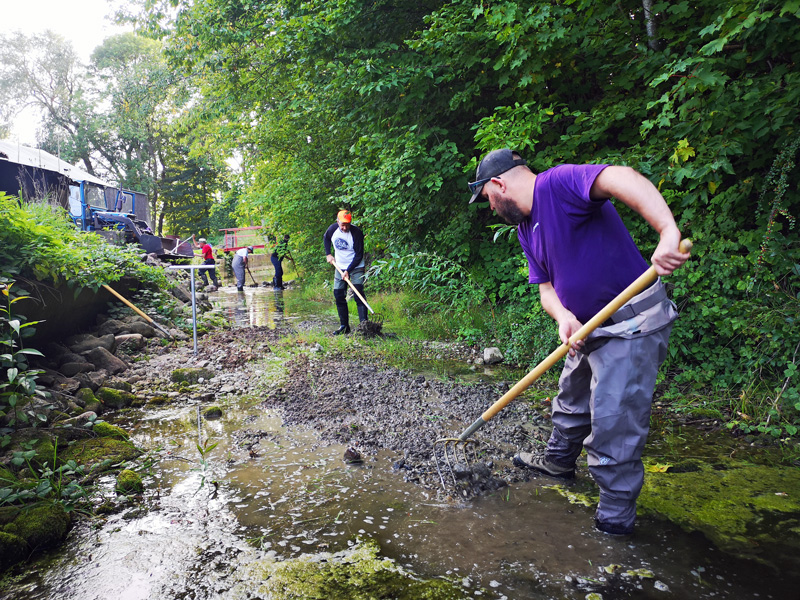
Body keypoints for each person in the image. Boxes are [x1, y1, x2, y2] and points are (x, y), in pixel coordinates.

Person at [468, 148, 690, 536]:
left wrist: (667, 231)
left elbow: (623, 178)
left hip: (631, 322)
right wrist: (564, 317)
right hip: (587, 327)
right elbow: (546, 289)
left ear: (499, 183)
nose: (489, 207)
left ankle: (615, 523)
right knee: (570, 399)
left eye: (486, 197)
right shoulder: (525, 228)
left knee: (613, 424)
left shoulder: (558, 184)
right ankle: (558, 462)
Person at [323, 210, 368, 335]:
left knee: (358, 293)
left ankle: (364, 326)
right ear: (337, 221)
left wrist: (348, 270)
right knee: (338, 294)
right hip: (339, 266)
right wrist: (328, 254)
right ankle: (344, 326)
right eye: (342, 224)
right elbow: (326, 238)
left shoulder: (356, 233)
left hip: (356, 266)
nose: (344, 227)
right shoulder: (332, 229)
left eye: (347, 224)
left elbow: (359, 255)